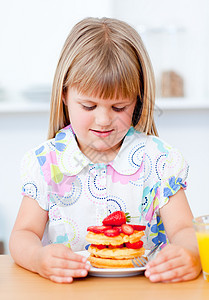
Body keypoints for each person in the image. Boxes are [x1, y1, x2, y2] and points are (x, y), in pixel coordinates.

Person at [9, 17, 201, 283]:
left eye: (119, 107)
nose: (103, 120)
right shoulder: (46, 162)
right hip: (68, 290)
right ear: (64, 95)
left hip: (146, 290)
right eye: (89, 106)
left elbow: (183, 229)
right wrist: (38, 259)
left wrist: (191, 253)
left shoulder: (159, 160)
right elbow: (22, 235)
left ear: (138, 100)